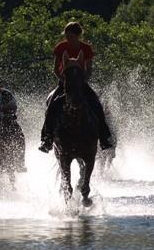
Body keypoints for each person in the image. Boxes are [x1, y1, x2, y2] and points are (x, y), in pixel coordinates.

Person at [38, 21, 113, 153]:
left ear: (78, 35)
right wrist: (65, 81)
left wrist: (80, 82)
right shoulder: (60, 47)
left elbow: (89, 70)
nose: (68, 38)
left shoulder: (86, 48)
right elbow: (56, 69)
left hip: (81, 83)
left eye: (71, 36)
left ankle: (104, 138)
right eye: (67, 35)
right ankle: (47, 139)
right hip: (64, 83)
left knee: (96, 104)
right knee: (52, 105)